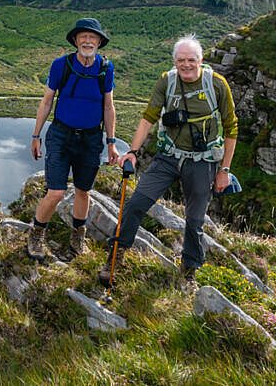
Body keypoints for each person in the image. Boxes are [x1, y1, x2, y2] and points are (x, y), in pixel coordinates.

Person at [99, 35, 237, 288]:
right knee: (137, 202)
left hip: (203, 160)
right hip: (168, 156)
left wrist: (224, 170)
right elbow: (148, 118)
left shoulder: (216, 85)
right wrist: (133, 151)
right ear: (174, 61)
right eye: (181, 60)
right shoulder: (167, 81)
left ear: (201, 60)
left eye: (191, 60)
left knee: (195, 220)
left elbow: (231, 128)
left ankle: (189, 269)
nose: (186, 65)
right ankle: (115, 256)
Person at [27, 18, 118, 261]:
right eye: (83, 37)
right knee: (55, 192)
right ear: (76, 41)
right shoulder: (61, 65)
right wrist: (36, 135)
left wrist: (111, 142)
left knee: (83, 191)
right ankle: (36, 233)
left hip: (91, 139)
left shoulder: (105, 68)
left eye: (93, 37)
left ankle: (78, 236)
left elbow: (108, 107)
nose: (88, 41)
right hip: (61, 135)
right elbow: (47, 101)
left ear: (99, 42)